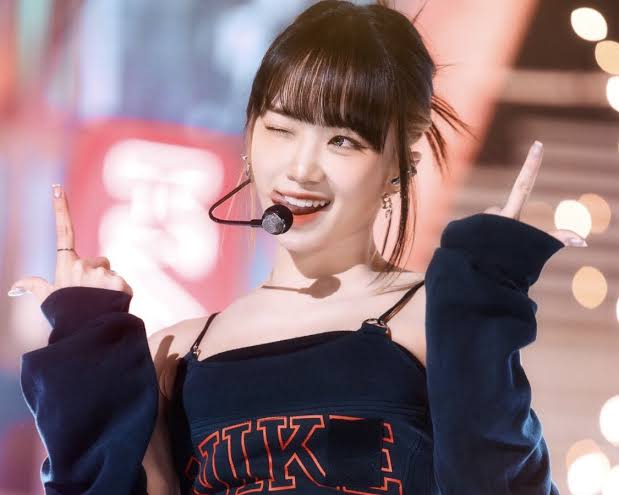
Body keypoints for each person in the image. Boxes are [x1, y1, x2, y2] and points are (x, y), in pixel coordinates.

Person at [10, 1, 587, 494]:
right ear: (250, 133)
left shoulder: (434, 317)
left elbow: (500, 479)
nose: (302, 169)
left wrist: (482, 295)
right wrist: (87, 341)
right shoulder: (174, 353)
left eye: (343, 140)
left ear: (399, 165)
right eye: (282, 128)